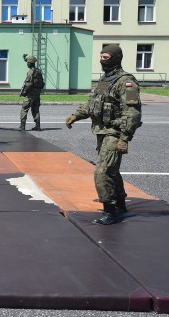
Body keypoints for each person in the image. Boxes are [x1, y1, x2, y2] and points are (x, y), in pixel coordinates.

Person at [65, 44, 142, 225]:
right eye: (101, 57)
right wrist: (76, 115)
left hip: (115, 133)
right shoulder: (105, 79)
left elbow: (133, 113)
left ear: (116, 58)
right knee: (112, 170)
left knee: (102, 171)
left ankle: (109, 211)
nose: (102, 60)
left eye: (106, 57)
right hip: (102, 132)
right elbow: (93, 104)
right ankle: (120, 203)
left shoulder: (126, 82)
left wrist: (125, 138)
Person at [19, 55, 45, 131]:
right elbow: (41, 83)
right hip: (37, 94)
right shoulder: (38, 71)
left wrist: (24, 92)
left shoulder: (30, 72)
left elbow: (28, 84)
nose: (27, 64)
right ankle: (38, 126)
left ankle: (22, 126)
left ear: (30, 63)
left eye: (27, 62)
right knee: (35, 109)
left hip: (30, 94)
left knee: (24, 108)